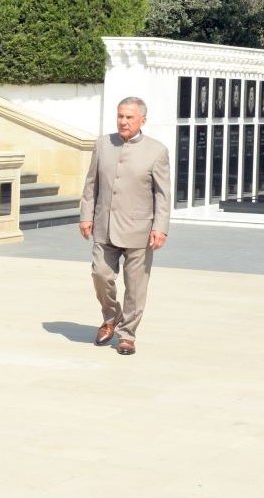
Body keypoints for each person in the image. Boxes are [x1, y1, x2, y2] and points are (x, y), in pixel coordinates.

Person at [79, 97, 170, 356]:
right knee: (100, 274)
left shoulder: (157, 151)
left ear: (143, 120)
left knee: (135, 287)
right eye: (120, 116)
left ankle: (127, 335)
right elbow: (91, 184)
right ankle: (111, 317)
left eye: (129, 117)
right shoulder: (103, 144)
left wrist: (160, 227)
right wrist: (86, 215)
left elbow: (163, 194)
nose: (123, 121)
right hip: (104, 226)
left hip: (139, 230)